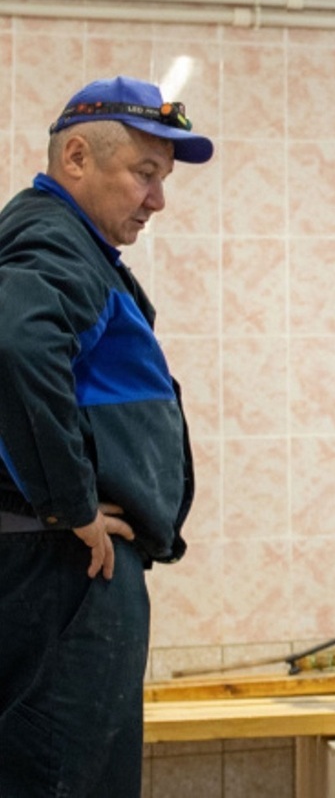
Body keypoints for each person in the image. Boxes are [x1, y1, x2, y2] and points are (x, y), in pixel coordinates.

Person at [0, 76, 213, 796]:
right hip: (66, 568)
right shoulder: (52, 238)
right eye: (144, 173)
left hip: (64, 567)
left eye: (163, 179)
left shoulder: (68, 245)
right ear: (77, 158)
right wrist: (71, 504)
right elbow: (16, 345)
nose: (157, 200)